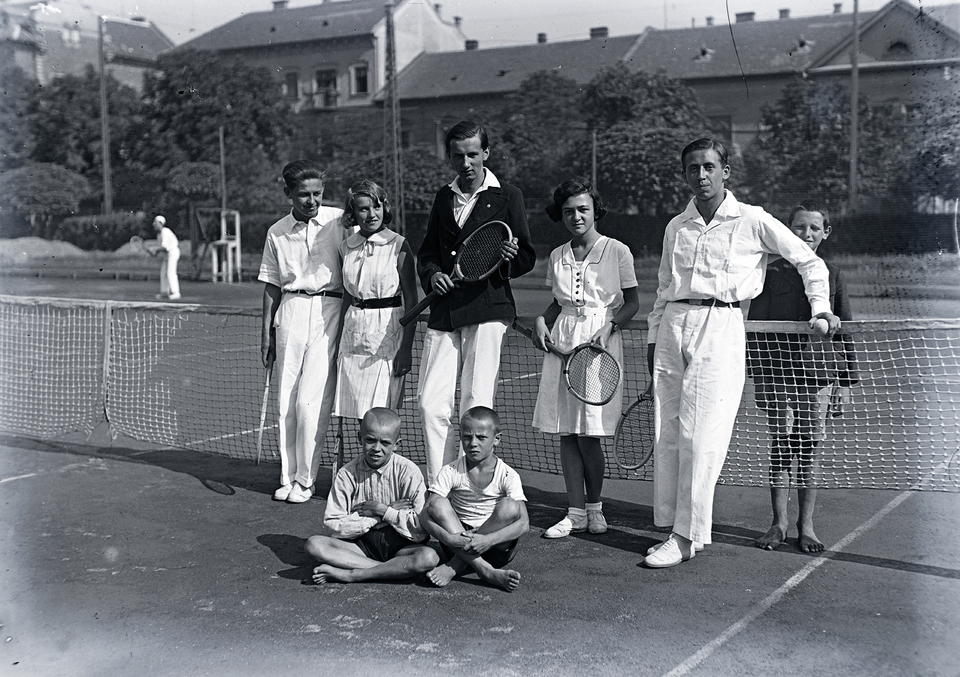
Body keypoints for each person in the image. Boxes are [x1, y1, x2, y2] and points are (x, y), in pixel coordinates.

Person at [643, 138, 840, 568]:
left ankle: (685, 536)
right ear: (685, 175)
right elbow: (662, 287)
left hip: (723, 326)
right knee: (670, 433)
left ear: (725, 171)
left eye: (709, 167)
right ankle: (675, 525)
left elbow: (810, 262)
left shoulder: (752, 220)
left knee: (704, 436)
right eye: (693, 168)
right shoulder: (676, 226)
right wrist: (654, 337)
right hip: (674, 326)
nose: (701, 175)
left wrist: (821, 307)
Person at [415, 120, 536, 486]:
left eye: (472, 154)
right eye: (457, 155)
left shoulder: (508, 195)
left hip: (489, 308)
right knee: (429, 403)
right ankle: (439, 485)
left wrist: (511, 255)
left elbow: (525, 256)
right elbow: (428, 254)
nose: (465, 162)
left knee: (475, 403)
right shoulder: (442, 196)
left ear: (486, 153)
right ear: (449, 156)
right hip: (444, 309)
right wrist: (433, 273)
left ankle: (469, 487)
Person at [528, 178, 639, 539]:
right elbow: (557, 304)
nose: (576, 216)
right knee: (567, 433)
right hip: (562, 344)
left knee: (589, 434)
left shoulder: (618, 250)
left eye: (582, 209)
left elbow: (632, 302)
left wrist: (609, 328)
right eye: (568, 211)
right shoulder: (558, 255)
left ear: (595, 211)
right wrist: (542, 321)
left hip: (599, 344)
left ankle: (595, 509)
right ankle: (574, 513)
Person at [747, 202, 858, 553]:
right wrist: (760, 380)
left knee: (809, 451)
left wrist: (844, 383)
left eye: (813, 228)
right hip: (777, 376)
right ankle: (778, 524)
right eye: (798, 227)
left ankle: (805, 526)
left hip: (818, 378)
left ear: (825, 232)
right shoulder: (771, 273)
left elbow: (845, 332)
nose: (805, 235)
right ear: (787, 230)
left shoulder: (834, 274)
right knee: (780, 448)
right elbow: (756, 333)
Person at [259, 159, 346, 504]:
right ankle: (289, 477)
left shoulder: (340, 221)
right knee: (287, 402)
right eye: (303, 195)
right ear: (288, 194)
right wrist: (265, 331)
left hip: (329, 310)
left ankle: (307, 481)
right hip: (291, 311)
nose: (312, 201)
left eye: (317, 194)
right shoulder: (276, 232)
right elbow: (271, 285)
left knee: (311, 403)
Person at [305, 407, 440, 584]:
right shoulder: (346, 474)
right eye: (370, 440)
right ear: (359, 438)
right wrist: (378, 517)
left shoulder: (409, 472)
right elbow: (334, 526)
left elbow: (420, 530)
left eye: (385, 443)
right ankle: (392, 569)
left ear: (396, 444)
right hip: (361, 546)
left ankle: (352, 574)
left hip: (402, 545)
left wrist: (383, 511)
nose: (376, 448)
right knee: (314, 545)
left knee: (428, 557)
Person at [419, 406, 529, 592]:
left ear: (496, 440)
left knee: (510, 507)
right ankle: (486, 571)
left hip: (496, 548)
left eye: (481, 437)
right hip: (457, 541)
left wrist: (488, 540)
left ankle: (455, 565)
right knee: (436, 503)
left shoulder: (508, 475)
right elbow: (424, 515)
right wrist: (448, 538)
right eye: (467, 437)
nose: (473, 443)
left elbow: (524, 524)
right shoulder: (450, 471)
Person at [334, 180, 418, 420]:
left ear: (384, 207)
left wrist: (406, 349)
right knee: (360, 416)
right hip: (353, 336)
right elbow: (347, 298)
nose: (372, 214)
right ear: (353, 213)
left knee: (382, 415)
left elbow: (412, 301)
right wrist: (339, 340)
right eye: (363, 209)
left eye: (377, 206)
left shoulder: (399, 245)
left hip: (387, 334)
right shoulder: (345, 248)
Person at [152, 215, 181, 301]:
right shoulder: (159, 235)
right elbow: (160, 249)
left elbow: (164, 247)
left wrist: (154, 249)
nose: (154, 224)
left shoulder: (165, 231)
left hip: (173, 252)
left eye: (155, 222)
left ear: (161, 223)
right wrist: (154, 252)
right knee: (163, 273)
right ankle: (164, 292)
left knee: (170, 273)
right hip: (167, 254)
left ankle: (176, 293)